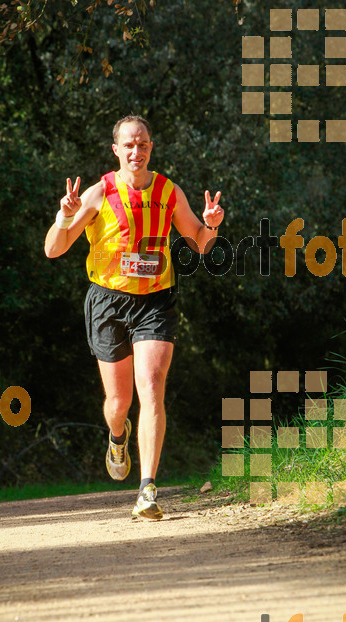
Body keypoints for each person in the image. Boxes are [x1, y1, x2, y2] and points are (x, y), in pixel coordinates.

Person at [44, 115, 224, 520]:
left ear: (151, 148)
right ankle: (117, 436)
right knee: (118, 401)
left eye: (142, 144)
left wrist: (211, 227)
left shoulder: (167, 191)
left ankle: (147, 489)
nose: (136, 151)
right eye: (128, 145)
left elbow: (199, 244)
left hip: (155, 301)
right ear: (116, 150)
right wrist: (65, 216)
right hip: (107, 301)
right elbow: (53, 250)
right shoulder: (99, 192)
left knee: (152, 387)